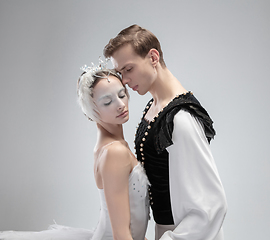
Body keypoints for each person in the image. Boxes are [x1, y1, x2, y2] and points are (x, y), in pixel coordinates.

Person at [0, 61, 150, 240]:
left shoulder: (110, 147)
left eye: (122, 94)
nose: (120, 104)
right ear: (91, 111)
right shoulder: (115, 152)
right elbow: (121, 234)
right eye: (107, 101)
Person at [103, 24, 227, 240]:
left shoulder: (180, 119)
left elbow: (211, 206)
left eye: (129, 69)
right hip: (165, 231)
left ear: (153, 57)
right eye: (120, 73)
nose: (124, 80)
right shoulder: (154, 107)